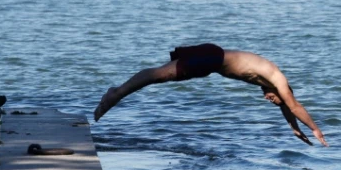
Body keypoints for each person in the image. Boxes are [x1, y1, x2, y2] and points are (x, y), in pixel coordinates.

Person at [94, 44, 328, 147]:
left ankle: (118, 92)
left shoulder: (272, 80)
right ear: (283, 92)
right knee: (159, 75)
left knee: (160, 74)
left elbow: (287, 107)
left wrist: (295, 128)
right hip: (211, 59)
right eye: (275, 99)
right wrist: (315, 129)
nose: (269, 100)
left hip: (211, 57)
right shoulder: (278, 79)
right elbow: (293, 105)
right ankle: (117, 93)